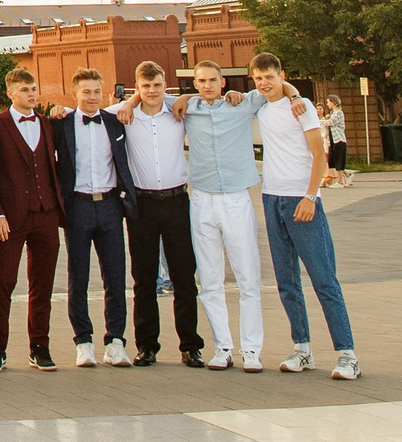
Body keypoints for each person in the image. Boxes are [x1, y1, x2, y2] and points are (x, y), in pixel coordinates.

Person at [248, 53, 356, 380]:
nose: (264, 83)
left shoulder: (303, 106)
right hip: (272, 198)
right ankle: (302, 348)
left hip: (302, 200)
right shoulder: (260, 106)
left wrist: (311, 195)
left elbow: (319, 155)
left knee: (324, 279)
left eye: (270, 76)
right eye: (258, 78)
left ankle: (347, 355)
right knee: (287, 282)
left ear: (281, 75)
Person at [174, 58, 269, 371]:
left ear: (223, 82)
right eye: (200, 82)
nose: (207, 86)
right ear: (195, 84)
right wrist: (186, 98)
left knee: (247, 278)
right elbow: (149, 95)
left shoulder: (241, 105)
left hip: (235, 199)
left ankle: (252, 349)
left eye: (212, 80)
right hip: (201, 200)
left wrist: (295, 98)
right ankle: (223, 347)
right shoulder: (189, 108)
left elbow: (275, 86)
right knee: (210, 279)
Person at [106, 61, 204, 367]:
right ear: (137, 87)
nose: (152, 91)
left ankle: (190, 345)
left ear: (166, 86)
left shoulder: (178, 110)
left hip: (177, 201)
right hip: (142, 205)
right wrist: (130, 102)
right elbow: (89, 112)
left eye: (158, 85)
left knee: (184, 277)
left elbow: (200, 97)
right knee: (144, 279)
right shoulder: (124, 114)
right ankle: (146, 345)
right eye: (145, 86)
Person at [0, 64, 60, 373]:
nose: (32, 94)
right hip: (10, 218)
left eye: (34, 89)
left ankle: (40, 346)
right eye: (25, 90)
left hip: (46, 214)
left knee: (43, 285)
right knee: (3, 282)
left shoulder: (50, 125)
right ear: (11, 93)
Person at [49, 66, 134, 368]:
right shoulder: (60, 124)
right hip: (78, 207)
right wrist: (55, 110)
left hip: (110, 205)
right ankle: (83, 341)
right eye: (86, 92)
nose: (92, 97)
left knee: (115, 277)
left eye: (97, 91)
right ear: (74, 94)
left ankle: (116, 341)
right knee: (79, 277)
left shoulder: (114, 122)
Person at [321, 96, 350, 187]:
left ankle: (340, 182)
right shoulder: (333, 113)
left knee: (339, 160)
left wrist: (320, 121)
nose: (327, 104)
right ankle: (347, 174)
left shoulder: (338, 113)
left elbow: (331, 122)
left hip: (339, 139)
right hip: (333, 140)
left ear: (333, 102)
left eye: (328, 102)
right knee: (332, 160)